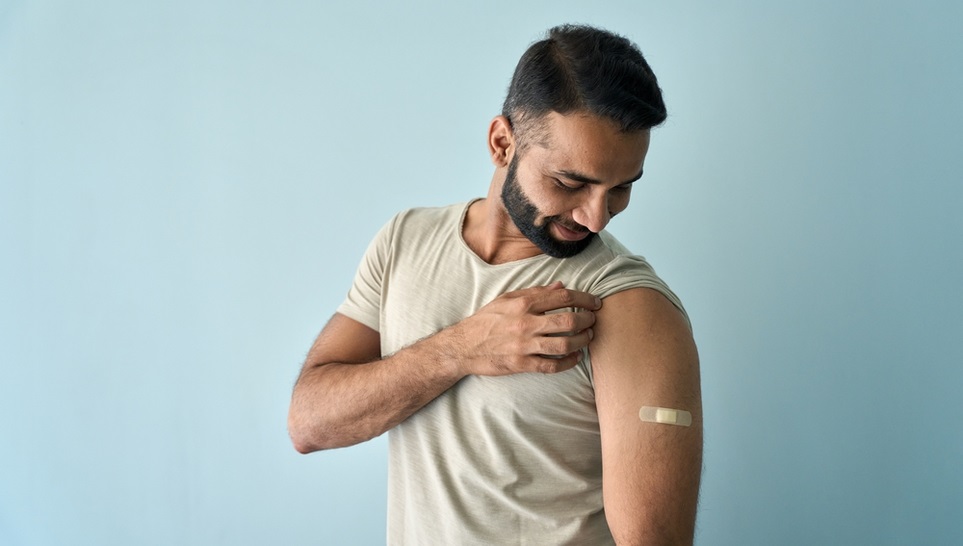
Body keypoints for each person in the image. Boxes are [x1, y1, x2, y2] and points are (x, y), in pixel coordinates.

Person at [288, 24, 702, 545]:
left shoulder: (631, 307)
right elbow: (309, 423)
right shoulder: (405, 241)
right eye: (571, 183)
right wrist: (458, 350)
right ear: (503, 143)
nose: (597, 217)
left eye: (621, 188)